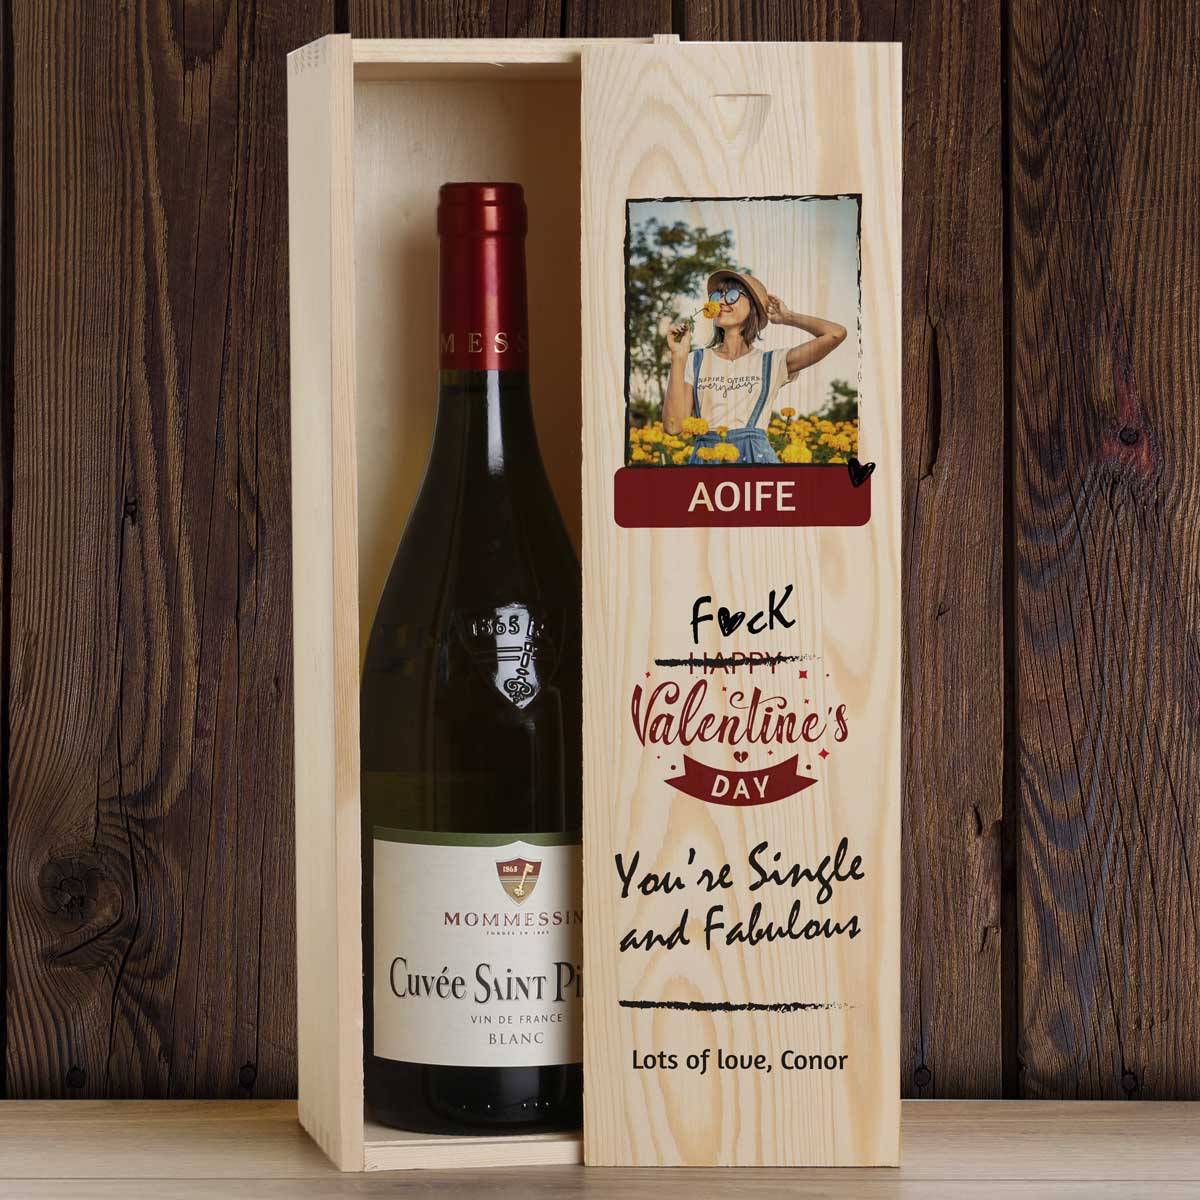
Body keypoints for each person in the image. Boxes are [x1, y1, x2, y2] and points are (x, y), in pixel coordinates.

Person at [663, 269, 847, 464]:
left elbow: (836, 333)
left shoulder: (772, 362)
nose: (721, 302)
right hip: (706, 460)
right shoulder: (695, 360)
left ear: (753, 307)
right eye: (717, 295)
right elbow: (673, 427)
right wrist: (678, 357)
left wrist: (788, 317)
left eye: (732, 295)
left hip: (756, 459)